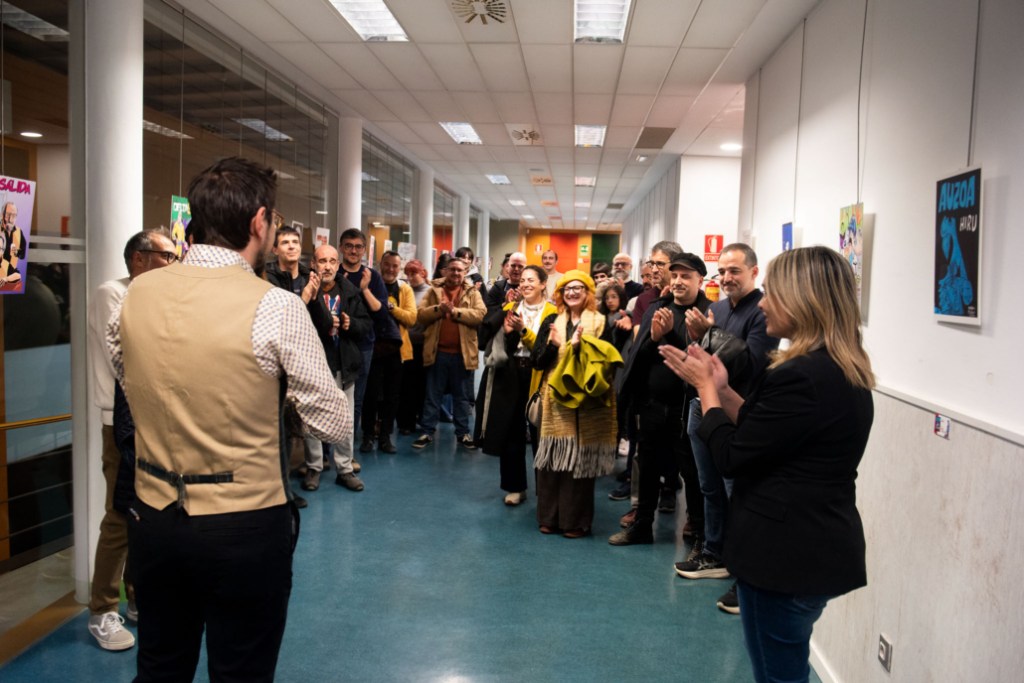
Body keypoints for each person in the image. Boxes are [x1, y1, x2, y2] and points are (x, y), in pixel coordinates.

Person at [109, 157, 352, 682]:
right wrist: (279, 395)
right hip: (244, 523)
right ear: (259, 221)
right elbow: (334, 424)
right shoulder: (276, 306)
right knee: (240, 670)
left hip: (153, 515)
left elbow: (125, 373)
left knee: (159, 666)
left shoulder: (135, 293)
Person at [661, 246, 874, 683]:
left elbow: (732, 456)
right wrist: (723, 388)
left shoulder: (802, 376)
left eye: (773, 293)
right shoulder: (835, 368)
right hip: (812, 546)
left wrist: (706, 391)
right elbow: (766, 431)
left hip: (786, 554)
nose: (764, 304)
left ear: (803, 300)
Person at [672, 244, 779, 616]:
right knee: (709, 486)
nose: (727, 278)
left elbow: (752, 362)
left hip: (739, 411)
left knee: (738, 493)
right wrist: (695, 339)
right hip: (703, 405)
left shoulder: (763, 311)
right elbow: (703, 357)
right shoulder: (716, 309)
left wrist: (711, 333)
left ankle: (745, 569)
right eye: (723, 271)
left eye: (735, 270)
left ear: (754, 272)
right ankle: (714, 553)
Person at [86, 228, 177, 651]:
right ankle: (102, 610)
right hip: (121, 424)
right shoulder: (112, 293)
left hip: (155, 420)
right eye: (166, 256)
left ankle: (137, 595)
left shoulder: (158, 297)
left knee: (150, 513)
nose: (173, 265)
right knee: (120, 516)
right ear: (139, 258)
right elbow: (130, 358)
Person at [609, 253, 710, 547]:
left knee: (692, 472)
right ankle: (642, 526)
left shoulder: (707, 313)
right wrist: (654, 338)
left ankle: (699, 533)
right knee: (648, 467)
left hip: (687, 409)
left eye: (686, 276)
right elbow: (637, 359)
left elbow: (704, 362)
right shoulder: (658, 308)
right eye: (674, 275)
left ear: (700, 280)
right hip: (653, 405)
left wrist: (670, 338)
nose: (678, 281)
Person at [531, 271, 622, 538]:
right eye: (567, 288)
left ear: (588, 293)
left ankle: (575, 522)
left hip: (587, 402)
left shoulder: (601, 322)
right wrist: (553, 346)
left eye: (578, 288)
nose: (572, 292)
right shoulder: (551, 321)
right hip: (555, 400)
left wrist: (581, 348)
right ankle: (548, 517)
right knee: (551, 460)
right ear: (560, 293)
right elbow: (537, 361)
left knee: (579, 461)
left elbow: (609, 361)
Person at [474, 265, 555, 505]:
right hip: (510, 373)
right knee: (511, 431)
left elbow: (545, 349)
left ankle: (546, 490)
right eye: (523, 280)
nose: (526, 284)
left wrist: (523, 330)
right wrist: (507, 330)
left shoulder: (553, 312)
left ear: (543, 284)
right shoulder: (510, 308)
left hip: (538, 373)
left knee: (541, 432)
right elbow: (485, 339)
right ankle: (515, 487)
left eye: (532, 280)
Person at [302, 244, 370, 492]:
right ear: (313, 264)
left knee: (345, 419)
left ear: (338, 265)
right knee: (311, 419)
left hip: (344, 363)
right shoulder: (306, 291)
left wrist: (352, 324)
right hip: (314, 364)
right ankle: (314, 466)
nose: (328, 266)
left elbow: (366, 326)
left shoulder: (350, 292)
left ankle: (344, 469)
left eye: (332, 261)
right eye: (322, 261)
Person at [412, 257, 486, 450]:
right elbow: (420, 315)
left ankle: (463, 434)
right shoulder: (433, 290)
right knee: (432, 395)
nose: (455, 273)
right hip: (437, 353)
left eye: (460, 270)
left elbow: (480, 315)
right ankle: (427, 431)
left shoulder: (472, 292)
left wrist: (455, 312)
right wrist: (439, 309)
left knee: (461, 397)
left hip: (462, 354)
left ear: (465, 273)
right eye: (452, 269)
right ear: (445, 271)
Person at [338, 228, 394, 447]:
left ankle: (347, 449)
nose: (353, 251)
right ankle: (325, 452)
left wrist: (364, 289)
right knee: (330, 396)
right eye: (349, 246)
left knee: (356, 399)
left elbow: (381, 313)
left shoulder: (372, 277)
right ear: (341, 248)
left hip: (363, 345)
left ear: (364, 250)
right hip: (335, 344)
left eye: (358, 247)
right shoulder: (333, 272)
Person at [362, 250, 417, 454]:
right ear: (380, 264)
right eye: (387, 264)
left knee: (392, 396)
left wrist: (390, 307)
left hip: (396, 350)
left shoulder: (405, 289)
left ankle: (385, 437)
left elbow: (411, 318)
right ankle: (368, 436)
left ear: (399, 268)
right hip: (372, 348)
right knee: (370, 394)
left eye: (395, 266)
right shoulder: (370, 285)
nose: (391, 269)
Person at [397, 259, 431, 435]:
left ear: (423, 273)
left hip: (424, 345)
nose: (410, 277)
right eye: (408, 274)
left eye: (414, 273)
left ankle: (422, 419)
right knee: (406, 386)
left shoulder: (431, 292)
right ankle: (406, 422)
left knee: (423, 386)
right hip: (407, 344)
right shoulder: (405, 291)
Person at [0, 201, 27, 287]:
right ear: (2, 215)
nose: (11, 219)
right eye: (8, 214)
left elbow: (23, 255)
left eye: (14, 215)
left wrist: (17, 252)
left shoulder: (19, 232)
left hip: (10, 276)